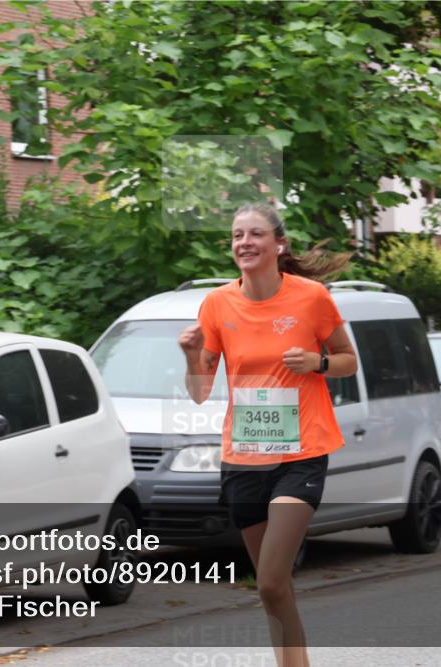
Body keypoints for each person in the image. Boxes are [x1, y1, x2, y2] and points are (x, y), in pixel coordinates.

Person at [178, 202, 357, 667]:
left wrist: (316, 363)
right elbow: (199, 392)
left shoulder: (311, 297)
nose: (244, 242)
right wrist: (191, 354)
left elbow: (347, 359)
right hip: (244, 457)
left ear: (279, 244)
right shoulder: (217, 304)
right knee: (272, 589)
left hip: (303, 452)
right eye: (238, 235)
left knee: (272, 582)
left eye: (255, 234)